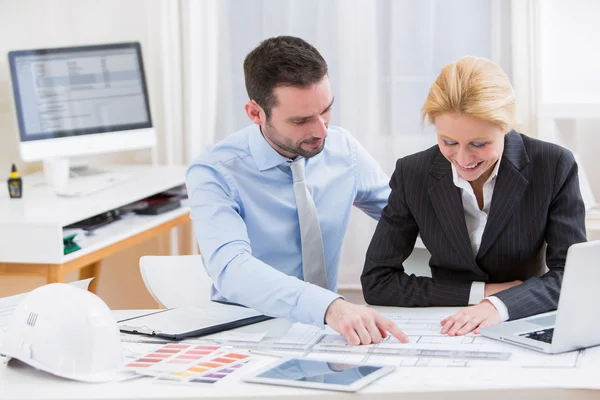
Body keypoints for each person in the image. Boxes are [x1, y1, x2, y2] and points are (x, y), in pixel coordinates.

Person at [186, 36, 408, 345]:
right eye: (301, 120)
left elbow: (407, 217)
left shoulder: (343, 150)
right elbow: (231, 267)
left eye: (326, 111)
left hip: (329, 330)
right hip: (247, 330)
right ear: (255, 113)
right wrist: (329, 307)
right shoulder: (214, 171)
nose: (321, 131)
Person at [361, 56, 587, 336]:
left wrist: (498, 305)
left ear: (506, 126)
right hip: (444, 325)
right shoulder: (413, 173)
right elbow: (377, 282)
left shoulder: (553, 165)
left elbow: (570, 276)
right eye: (448, 142)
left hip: (522, 319)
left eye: (479, 144)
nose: (463, 158)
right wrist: (482, 293)